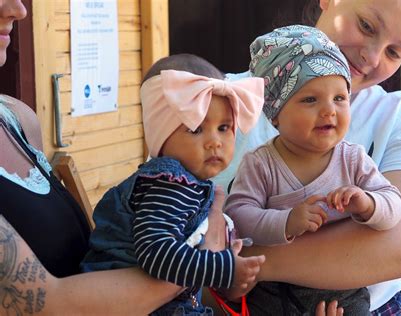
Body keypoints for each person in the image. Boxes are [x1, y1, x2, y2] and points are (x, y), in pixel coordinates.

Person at [213, 0, 401, 314]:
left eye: (394, 52)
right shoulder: (216, 103)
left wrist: (240, 267)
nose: (373, 56)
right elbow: (167, 232)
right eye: (366, 25)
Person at [0, 1, 235, 315]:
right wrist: (209, 253)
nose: (18, 9)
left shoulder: (18, 119)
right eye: (196, 128)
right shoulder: (167, 179)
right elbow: (51, 306)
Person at [81, 54, 266, 315]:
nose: (215, 141)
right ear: (161, 134)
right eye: (196, 129)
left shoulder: (185, 183)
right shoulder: (169, 184)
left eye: (224, 127)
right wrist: (222, 268)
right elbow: (156, 253)